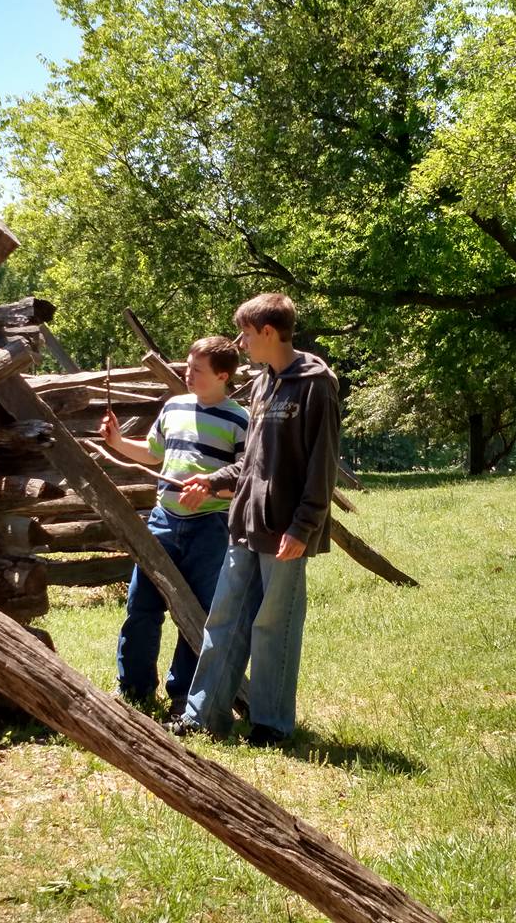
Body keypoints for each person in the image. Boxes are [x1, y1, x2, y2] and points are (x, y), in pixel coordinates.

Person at [170, 293, 340, 746]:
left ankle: (271, 724)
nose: (240, 343)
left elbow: (322, 463)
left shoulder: (316, 383)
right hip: (244, 521)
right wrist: (213, 480)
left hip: (286, 529)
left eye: (245, 333)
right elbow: (253, 461)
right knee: (224, 620)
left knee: (273, 626)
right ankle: (202, 716)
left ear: (268, 331)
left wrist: (303, 526)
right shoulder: (263, 383)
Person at [100, 336, 249, 716]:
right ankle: (134, 688)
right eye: (187, 366)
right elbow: (154, 453)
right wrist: (117, 441)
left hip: (210, 527)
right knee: (141, 605)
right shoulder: (174, 407)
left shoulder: (240, 420)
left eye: (196, 369)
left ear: (223, 375)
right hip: (163, 521)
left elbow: (247, 479)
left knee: (196, 612)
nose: (187, 374)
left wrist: (212, 490)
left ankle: (183, 693)